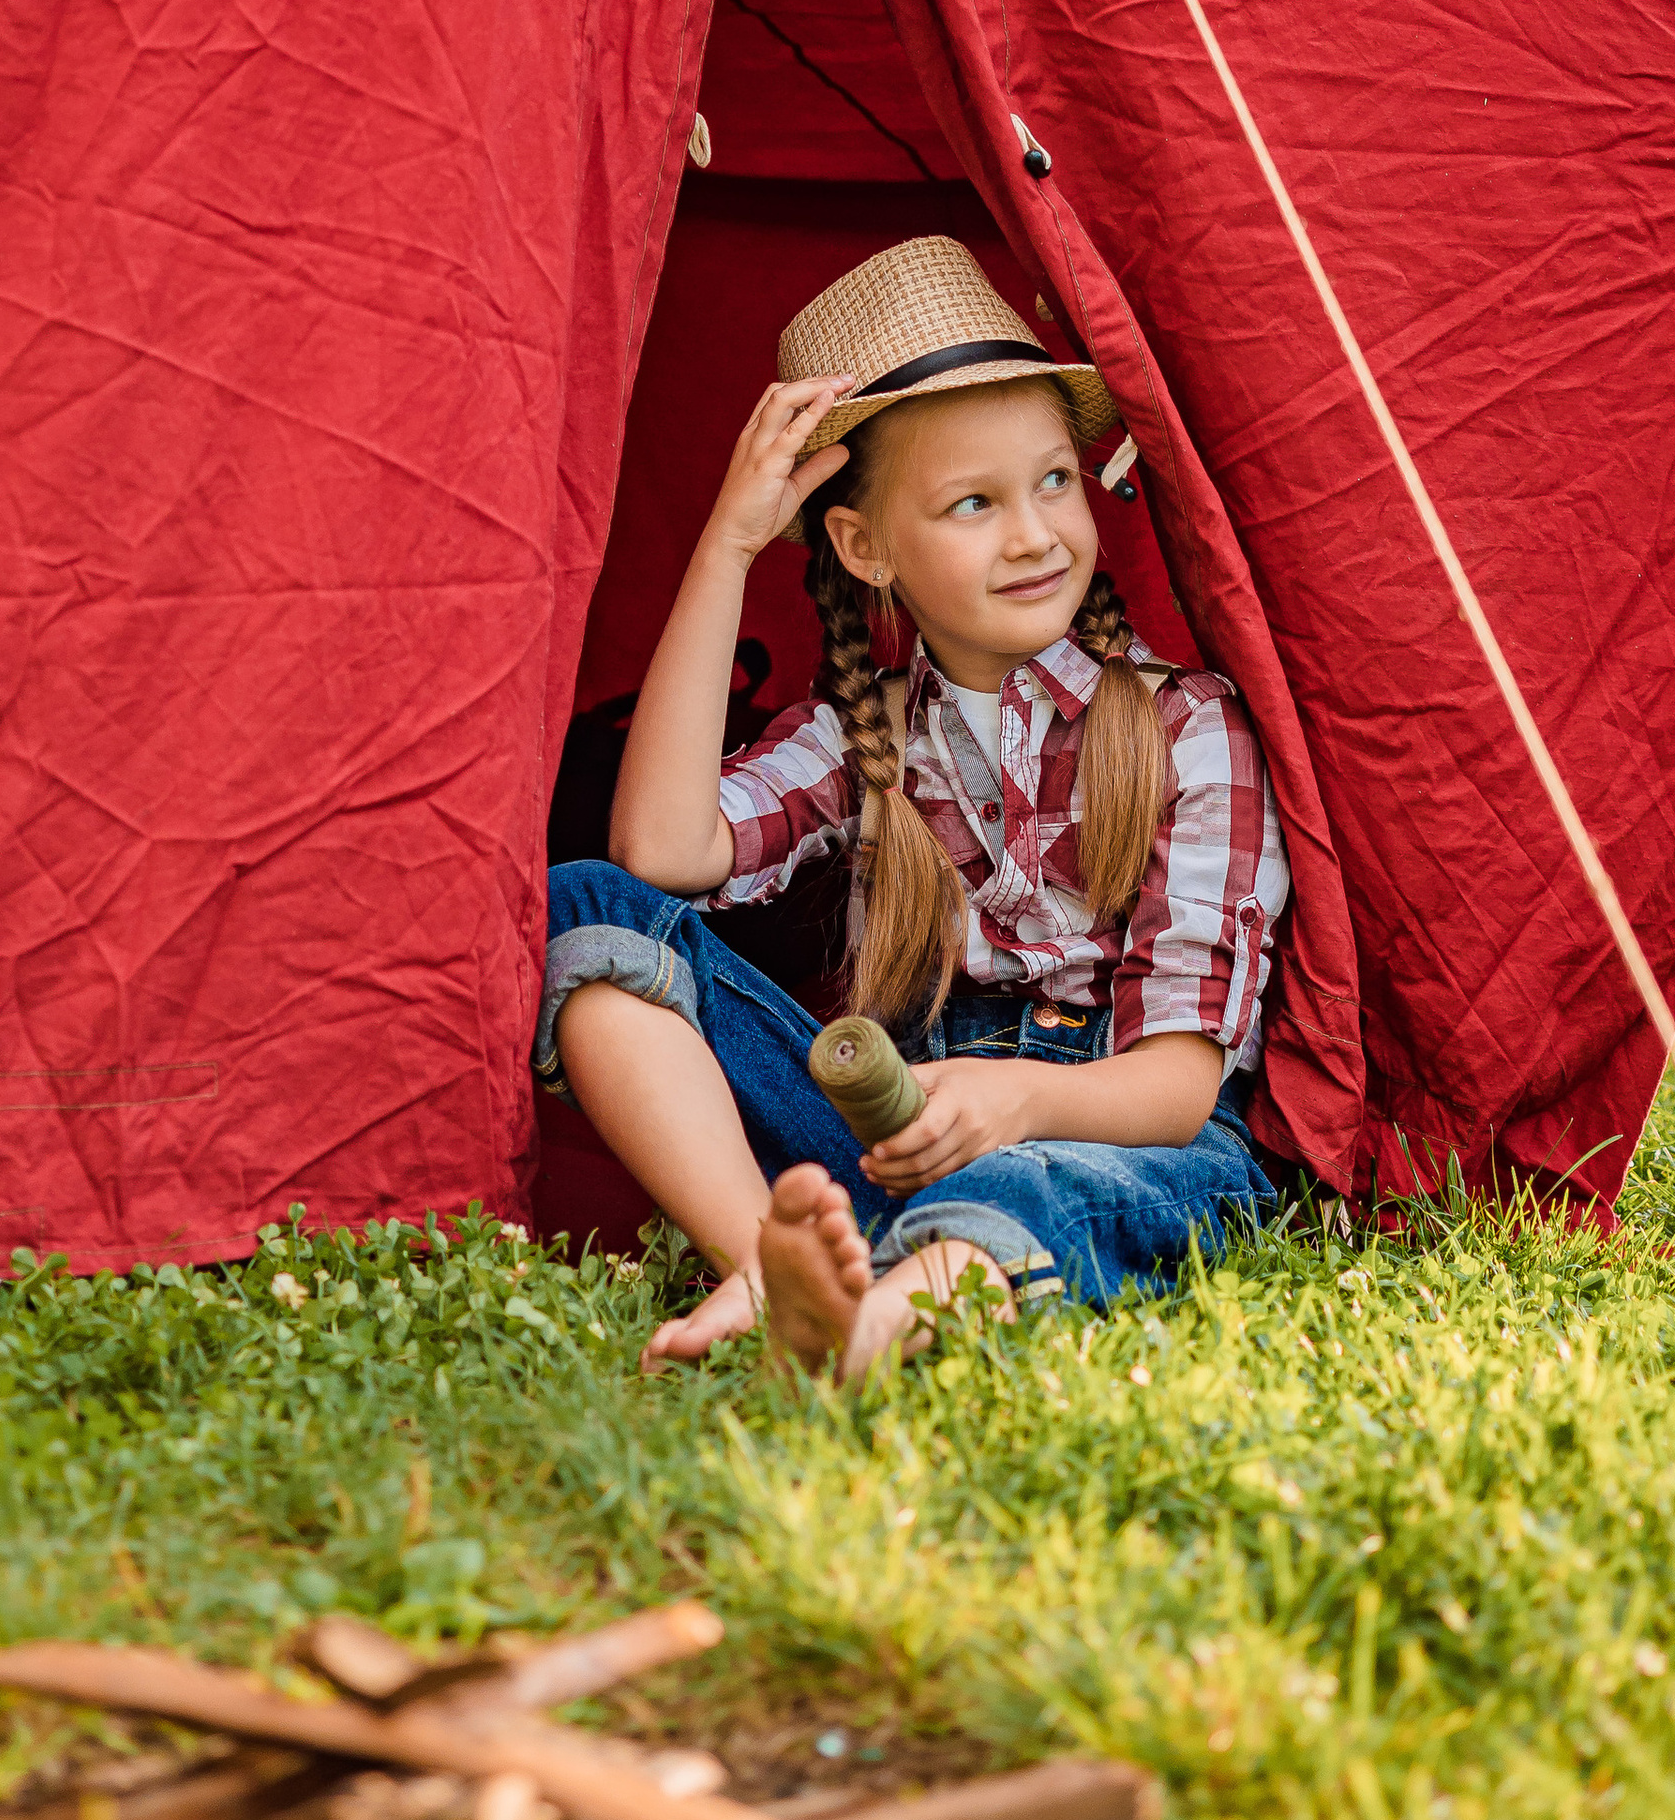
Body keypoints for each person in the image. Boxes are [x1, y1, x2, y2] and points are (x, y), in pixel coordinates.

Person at [541, 236, 1288, 1379]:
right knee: (591, 908)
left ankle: (872, 1326)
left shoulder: (1186, 726)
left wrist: (1015, 1102)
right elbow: (661, 849)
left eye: (1053, 480)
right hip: (894, 1137)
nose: (1033, 533)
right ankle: (766, 1265)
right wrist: (730, 546)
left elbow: (1181, 1091)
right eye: (972, 503)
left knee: (1036, 1187)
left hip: (1116, 1142)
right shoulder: (862, 731)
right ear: (866, 548)